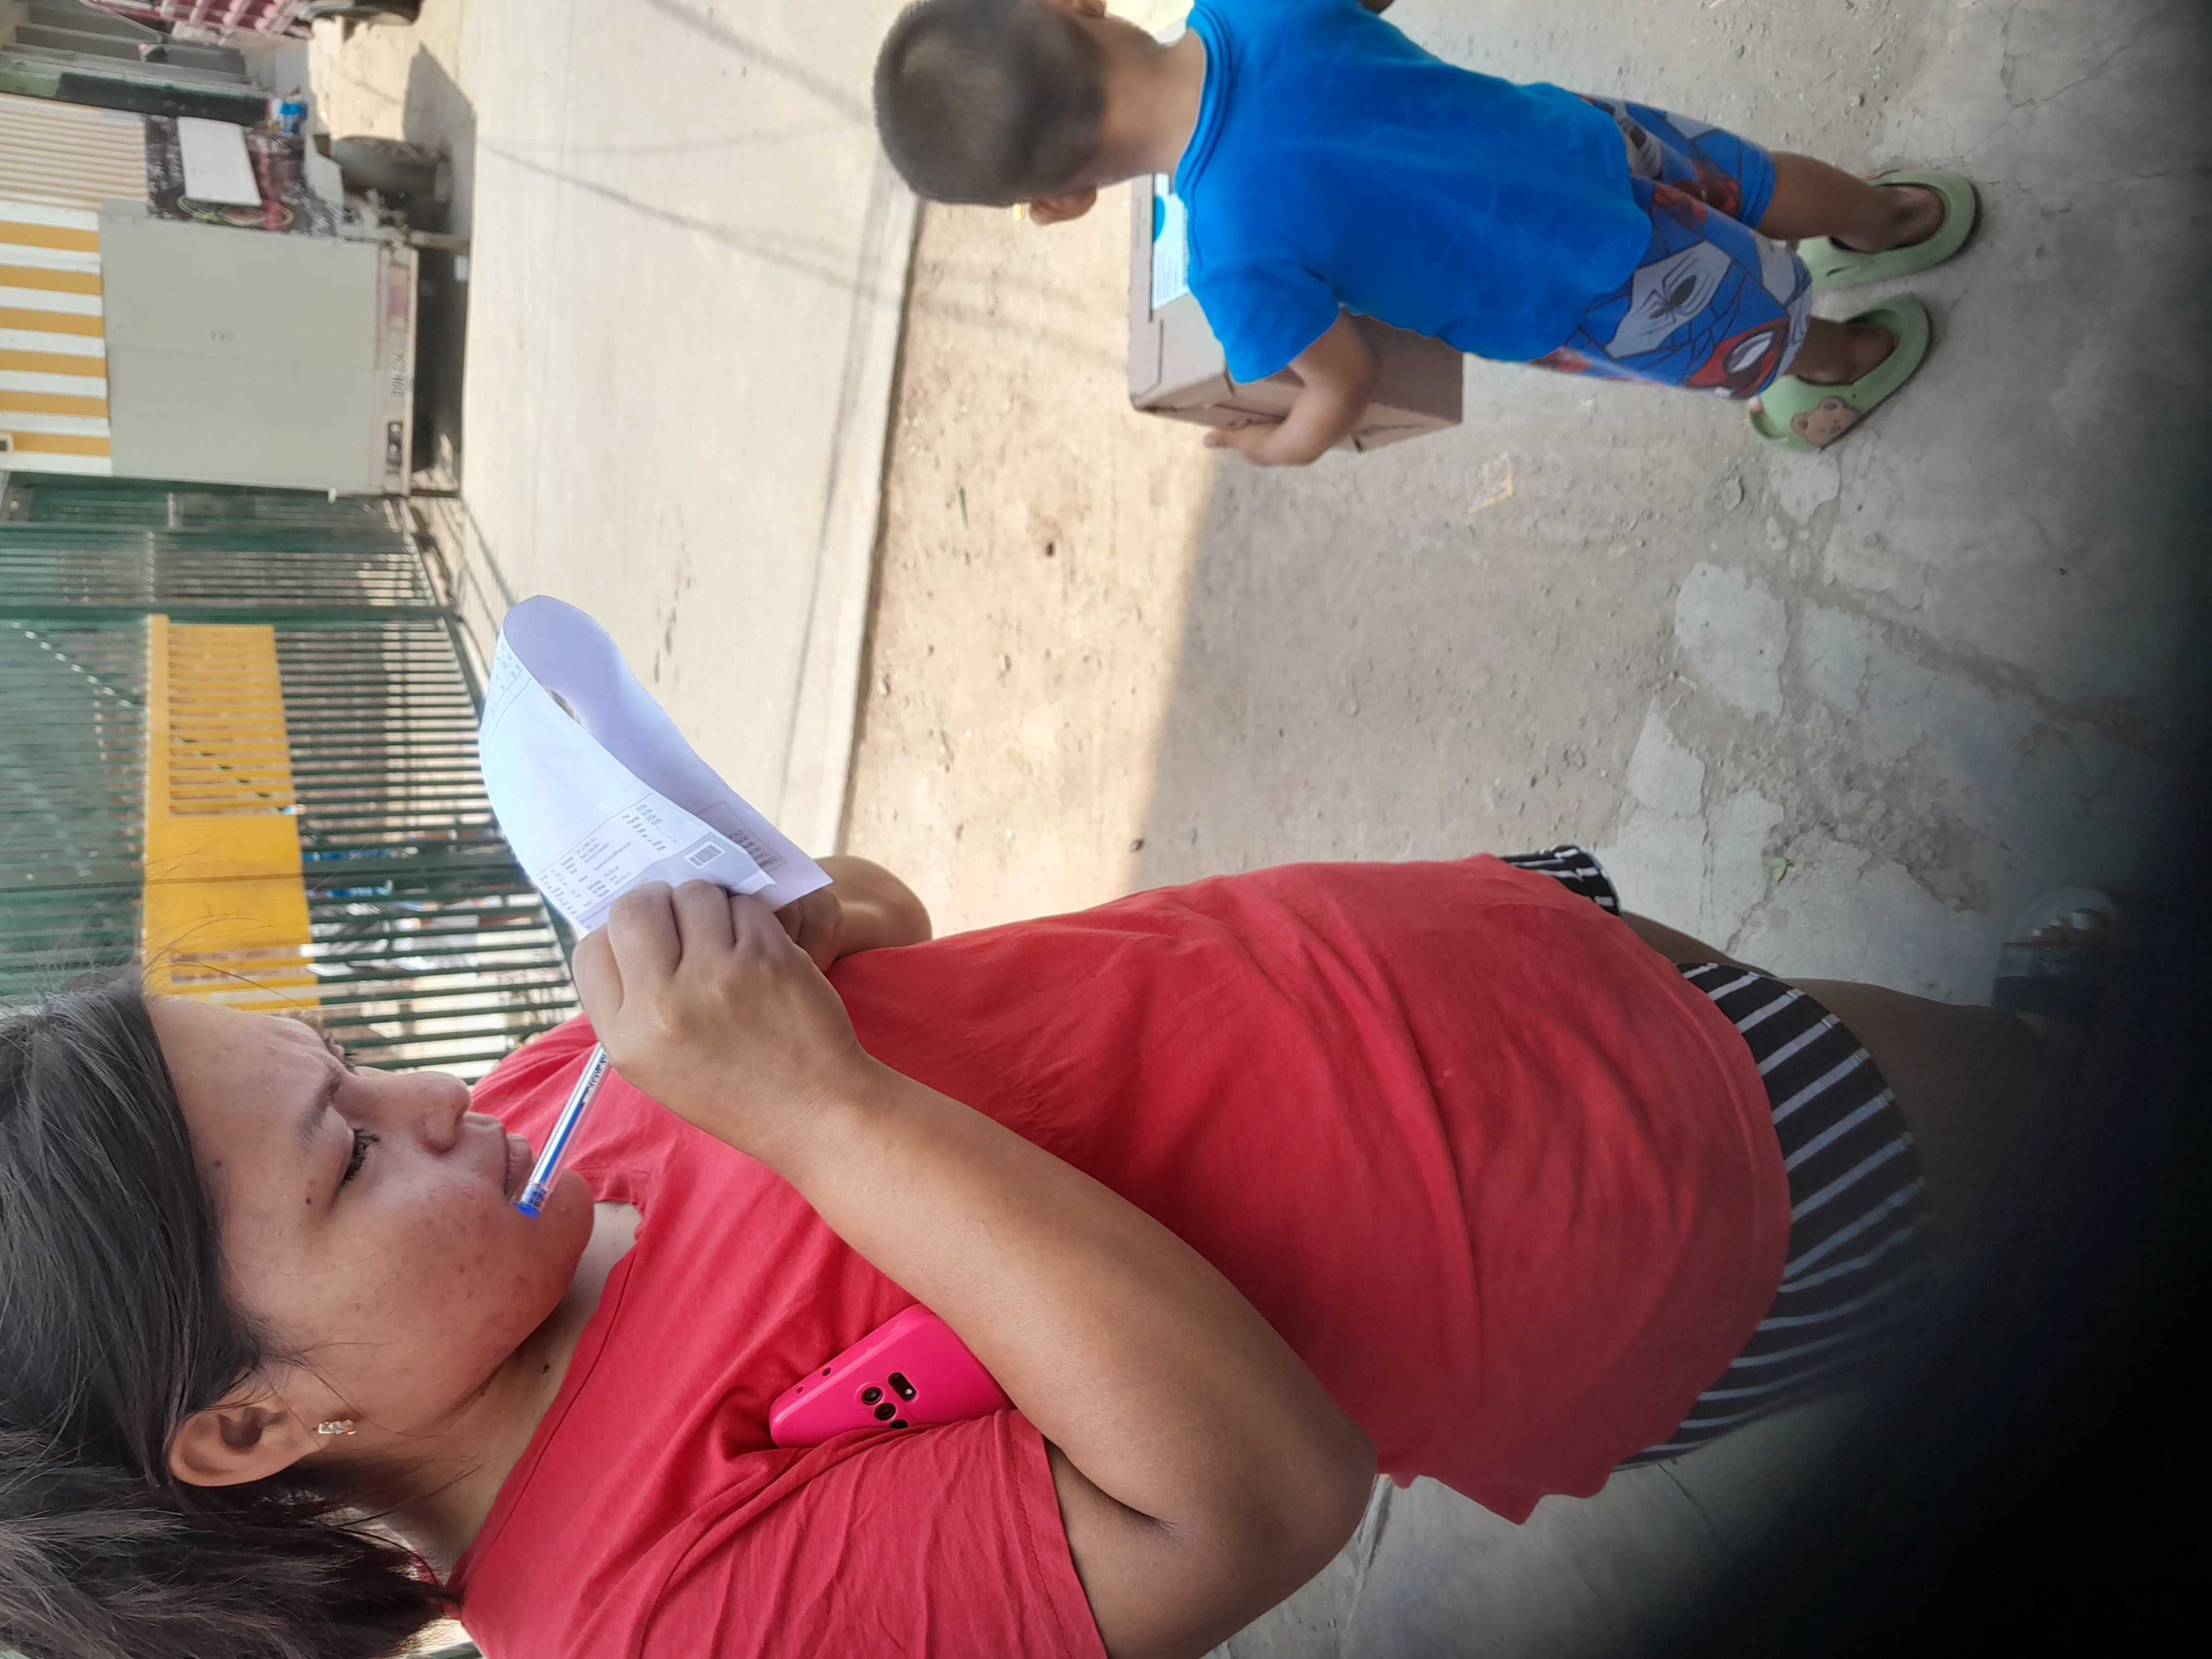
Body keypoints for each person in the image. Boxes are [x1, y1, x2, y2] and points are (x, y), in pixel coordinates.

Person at [1, 847, 2086, 1659]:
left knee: (1844, 1021)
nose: (434, 1100)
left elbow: (901, 950)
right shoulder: (648, 1609)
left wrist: (801, 927)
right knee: (2033, 1149)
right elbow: (1249, 1505)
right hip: (1589, 1217)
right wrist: (817, 1111)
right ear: (252, 1426)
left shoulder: (532, 1135)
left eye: (348, 1058)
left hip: (1438, 958)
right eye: (347, 1156)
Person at [871, 0, 1980, 461]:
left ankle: (1845, 355)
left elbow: (1344, 384)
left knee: (1731, 331)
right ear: (1080, 3)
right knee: (1751, 179)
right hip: (1589, 142)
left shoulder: (1233, 266)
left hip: (1576, 291)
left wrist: (1282, 443)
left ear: (1058, 205)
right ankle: (1894, 215)